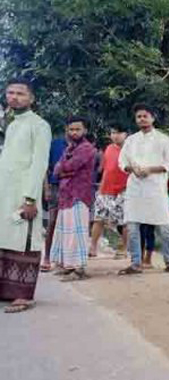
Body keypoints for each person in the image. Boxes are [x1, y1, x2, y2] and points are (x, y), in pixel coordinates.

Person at [0, 78, 51, 313]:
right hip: (5, 192)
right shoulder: (12, 126)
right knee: (6, 237)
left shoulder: (39, 125)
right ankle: (6, 291)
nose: (14, 97)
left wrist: (30, 198)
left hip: (24, 194)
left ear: (31, 98)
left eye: (20, 93)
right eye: (10, 93)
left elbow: (39, 164)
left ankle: (23, 295)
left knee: (25, 239)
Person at [118, 103, 169, 275]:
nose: (142, 119)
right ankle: (135, 263)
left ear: (153, 118)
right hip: (135, 188)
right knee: (132, 226)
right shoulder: (131, 140)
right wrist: (132, 169)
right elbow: (122, 162)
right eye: (139, 116)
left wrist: (150, 170)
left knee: (164, 227)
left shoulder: (163, 139)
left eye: (145, 116)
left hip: (155, 189)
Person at [49, 116, 97, 281]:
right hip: (65, 194)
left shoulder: (87, 148)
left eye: (77, 129)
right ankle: (69, 266)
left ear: (85, 130)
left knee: (77, 232)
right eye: (71, 129)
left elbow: (68, 166)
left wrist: (63, 169)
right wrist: (63, 169)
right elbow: (56, 170)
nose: (74, 132)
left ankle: (79, 269)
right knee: (65, 231)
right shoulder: (69, 148)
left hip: (79, 195)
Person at [90, 122, 129, 259]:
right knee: (98, 219)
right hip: (106, 189)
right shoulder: (108, 149)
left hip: (124, 190)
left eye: (118, 133)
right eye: (113, 133)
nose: (115, 136)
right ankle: (93, 247)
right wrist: (101, 188)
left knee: (124, 221)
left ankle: (123, 248)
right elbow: (106, 170)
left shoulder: (131, 150)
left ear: (126, 134)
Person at [41, 132, 68, 271]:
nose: (73, 132)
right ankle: (47, 257)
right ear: (66, 128)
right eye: (70, 128)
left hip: (74, 188)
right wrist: (46, 188)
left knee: (69, 225)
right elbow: (45, 167)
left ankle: (64, 260)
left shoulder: (83, 146)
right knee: (52, 222)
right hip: (56, 187)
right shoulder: (55, 144)